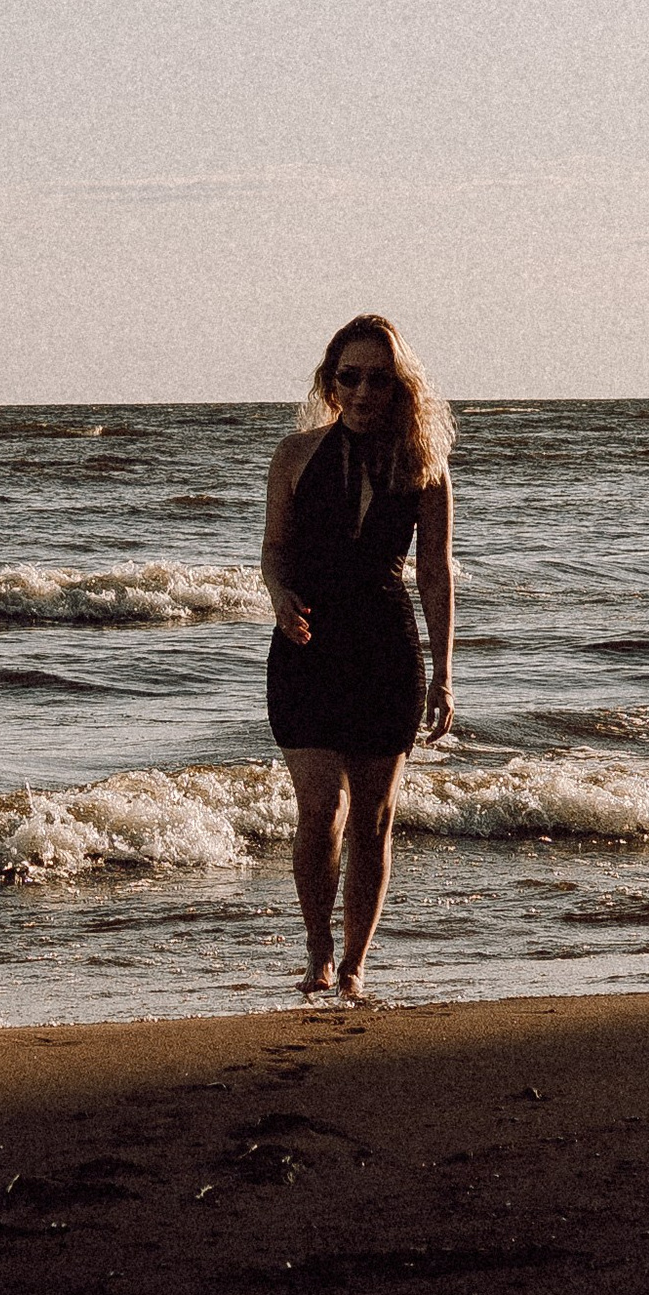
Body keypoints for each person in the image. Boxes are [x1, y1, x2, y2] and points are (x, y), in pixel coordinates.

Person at [261, 313, 455, 1000]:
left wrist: (444, 674)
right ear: (331, 382)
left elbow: (434, 573)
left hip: (385, 652)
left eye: (379, 378)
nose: (364, 391)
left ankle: (354, 965)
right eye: (351, 377)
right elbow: (274, 550)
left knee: (374, 818)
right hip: (307, 646)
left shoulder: (424, 465)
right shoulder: (295, 455)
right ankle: (318, 951)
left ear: (400, 387)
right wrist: (279, 594)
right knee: (322, 810)